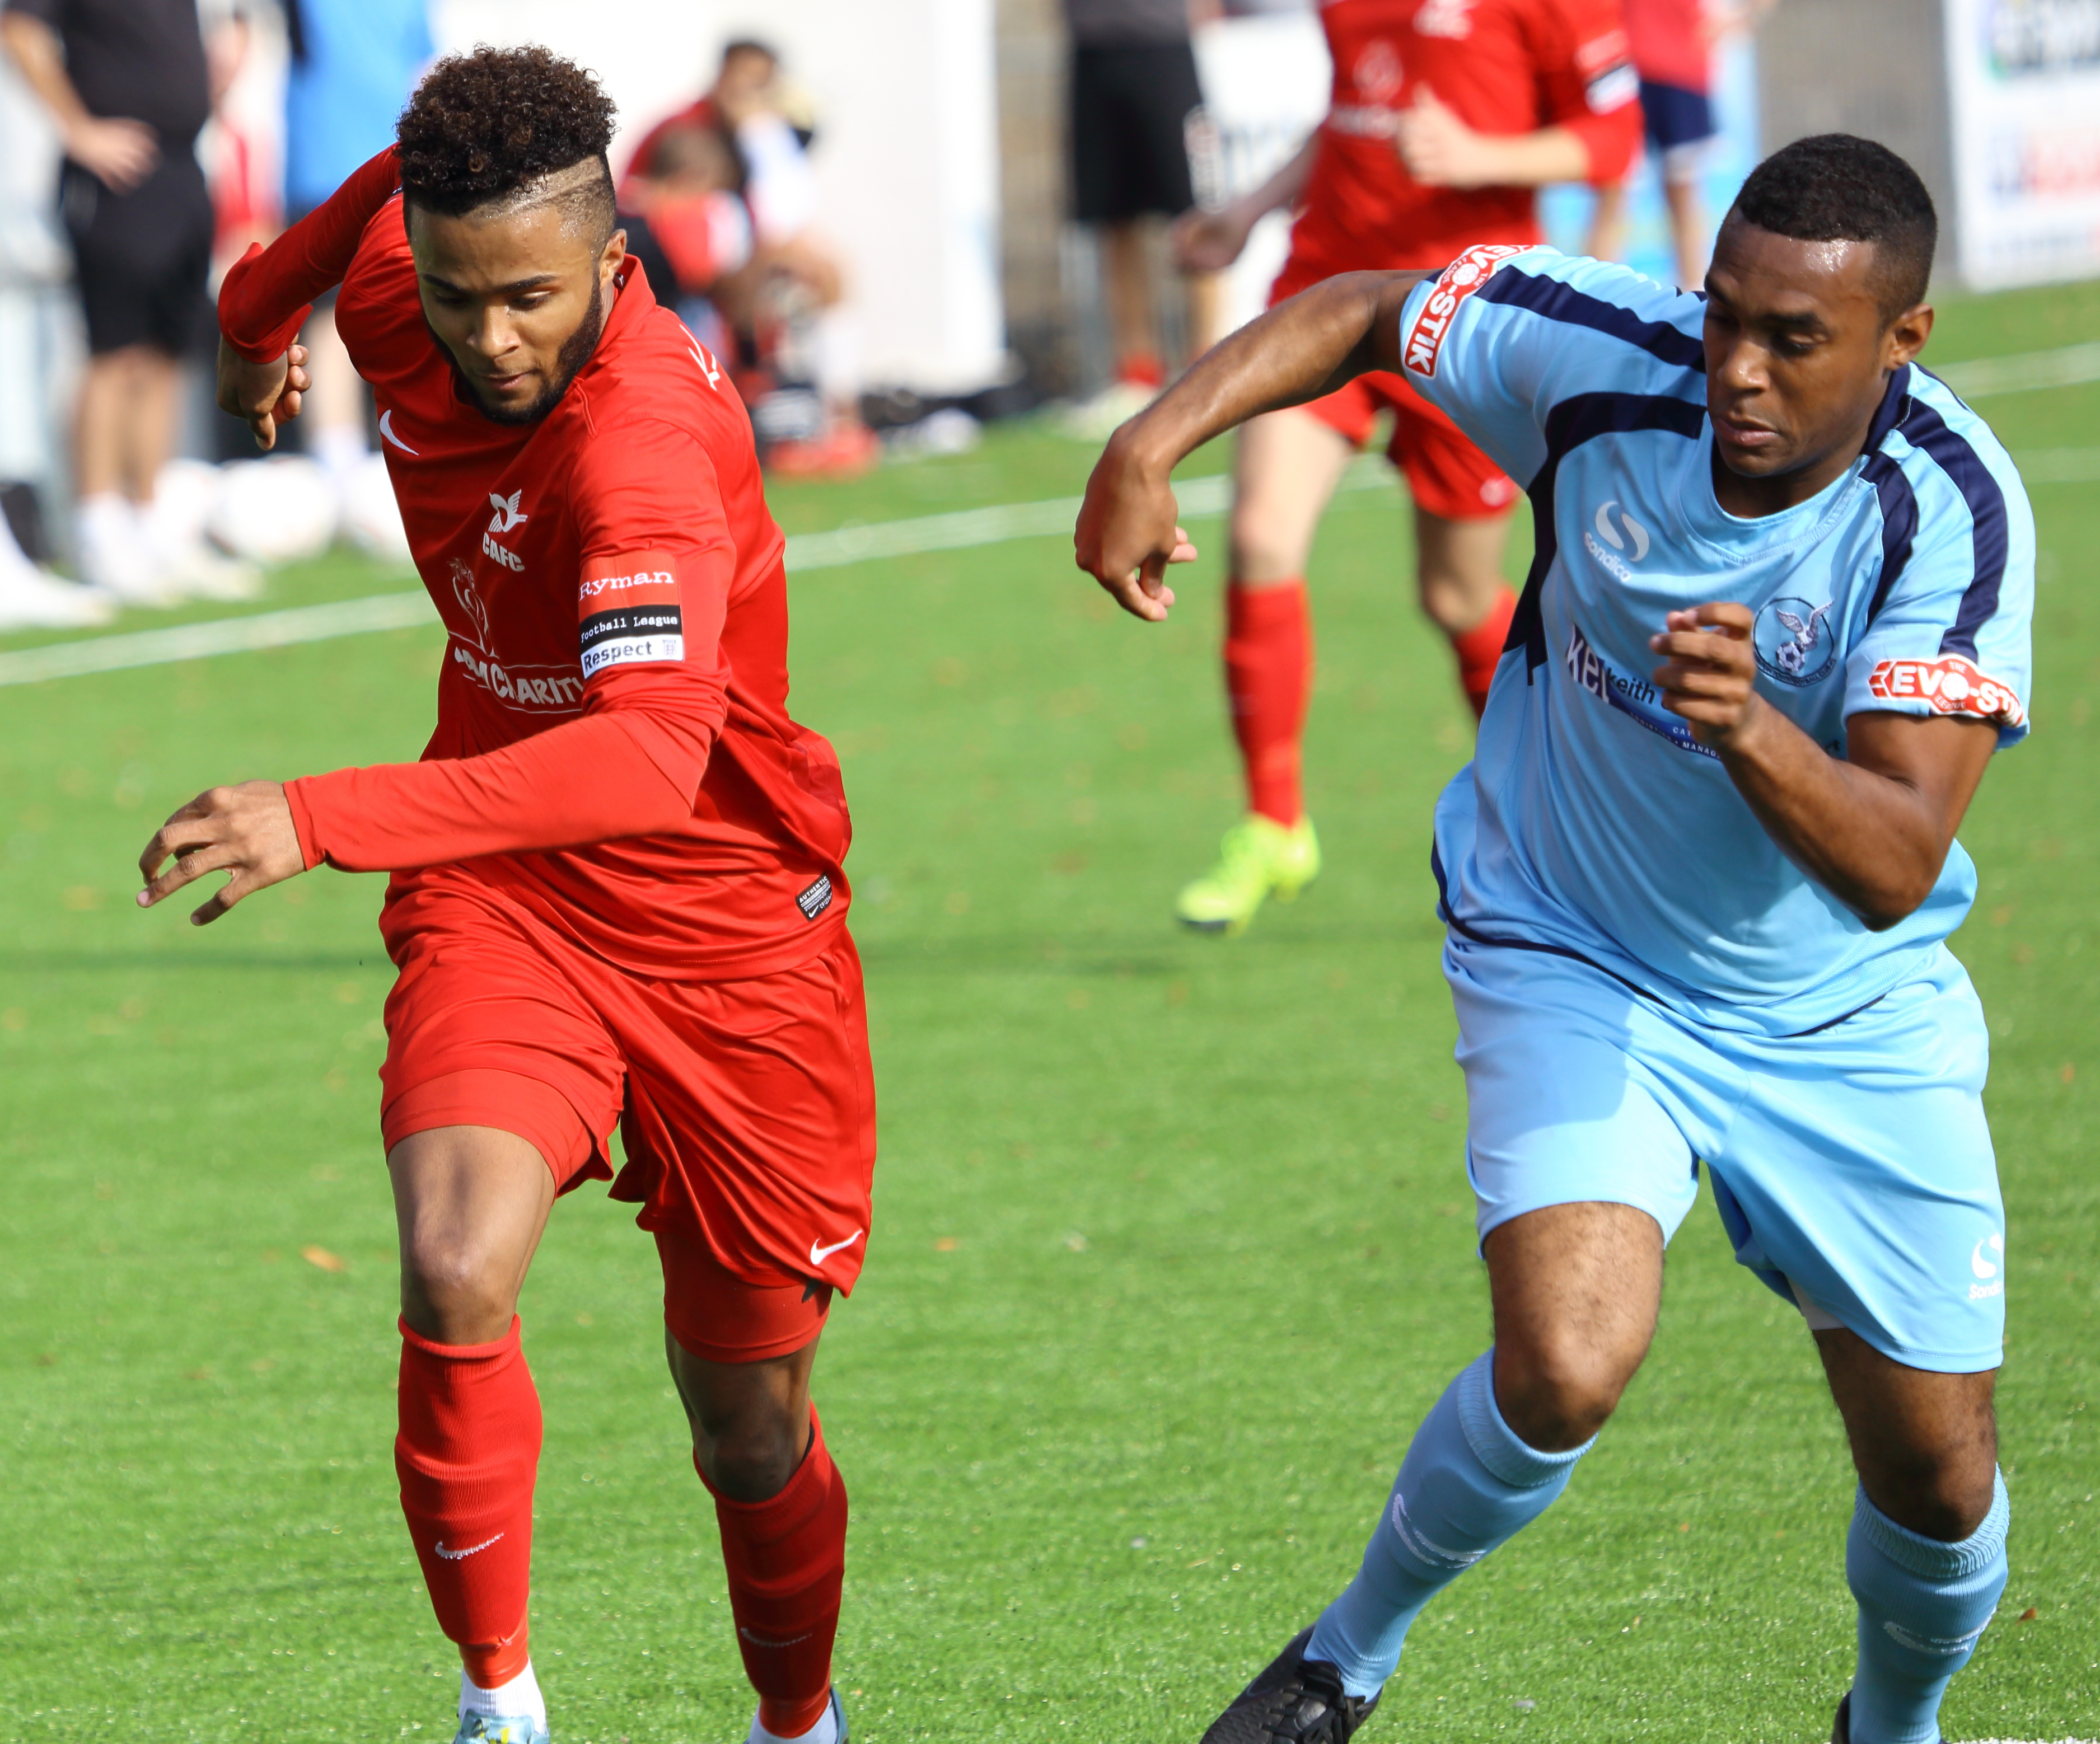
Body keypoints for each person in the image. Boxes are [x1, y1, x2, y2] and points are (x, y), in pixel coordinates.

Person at [1078, 134, 2026, 1744]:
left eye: (1791, 338)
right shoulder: (1600, 352)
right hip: (1567, 938)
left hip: (1838, 1010)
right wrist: (1148, 438)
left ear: (1899, 339)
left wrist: (1746, 727)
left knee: (1937, 1485)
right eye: (1722, 314)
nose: (1734, 366)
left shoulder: (1945, 510)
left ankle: (1889, 1724)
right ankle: (1338, 1663)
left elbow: (1892, 859)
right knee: (1562, 1361)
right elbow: (1366, 310)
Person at [138, 47, 872, 1744]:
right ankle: (500, 1707)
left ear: (614, 262)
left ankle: (796, 1722)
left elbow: (643, 763)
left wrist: (319, 815)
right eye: (458, 297)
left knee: (746, 1424)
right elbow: (321, 240)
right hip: (507, 890)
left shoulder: (647, 449)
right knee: (455, 1262)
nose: (492, 340)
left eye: (531, 298)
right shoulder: (410, 284)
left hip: (725, 927)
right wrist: (254, 330)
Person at [1164, 0, 1641, 935]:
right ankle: (1273, 824)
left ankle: (1556, 812)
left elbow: (1613, 138)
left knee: (1456, 597)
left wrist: (1479, 155)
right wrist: (1246, 213)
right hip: (1325, 296)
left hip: (1467, 317)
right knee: (1259, 536)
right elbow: (1350, 116)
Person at [1, 0, 251, 603]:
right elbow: (19, 30)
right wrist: (79, 130)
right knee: (115, 353)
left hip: (183, 167)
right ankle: (99, 529)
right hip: (115, 177)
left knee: (167, 354)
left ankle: (151, 522)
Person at [279, 0, 433, 484]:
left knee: (406, 312)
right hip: (325, 174)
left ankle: (399, 451)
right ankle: (336, 457)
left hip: (397, 172)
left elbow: (422, 74)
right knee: (332, 318)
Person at [1060, 0, 1224, 435]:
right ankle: (1137, 375)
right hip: (1092, 50)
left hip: (1162, 46)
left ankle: (1209, 368)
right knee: (1113, 219)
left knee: (1195, 216)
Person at [1586, 0, 1775, 289]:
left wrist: (1741, 21)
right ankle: (1591, 294)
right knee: (1614, 192)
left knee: (1679, 197)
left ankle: (1692, 297)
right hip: (1623, 69)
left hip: (1675, 72)